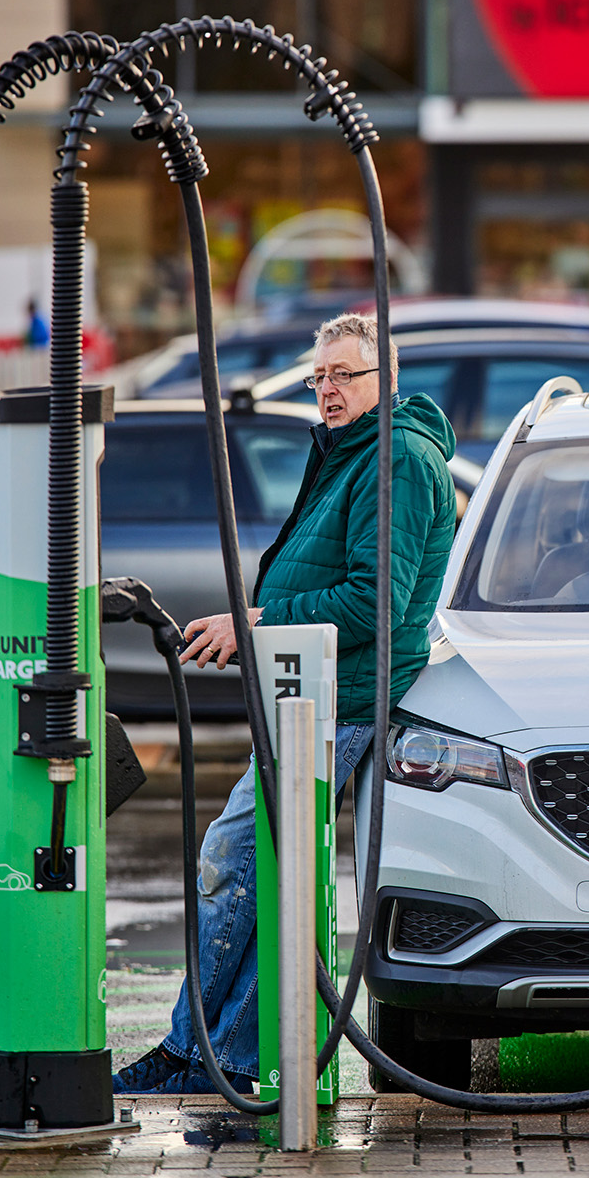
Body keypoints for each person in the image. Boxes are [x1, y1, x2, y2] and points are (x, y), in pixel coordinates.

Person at [114, 312, 458, 1096]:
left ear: (386, 380)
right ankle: (222, 1056)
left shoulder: (395, 459)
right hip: (310, 691)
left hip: (342, 699)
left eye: (345, 376)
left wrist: (257, 622)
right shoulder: (354, 452)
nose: (328, 391)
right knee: (273, 872)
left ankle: (191, 1052)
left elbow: (376, 597)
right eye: (320, 377)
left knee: (234, 857)